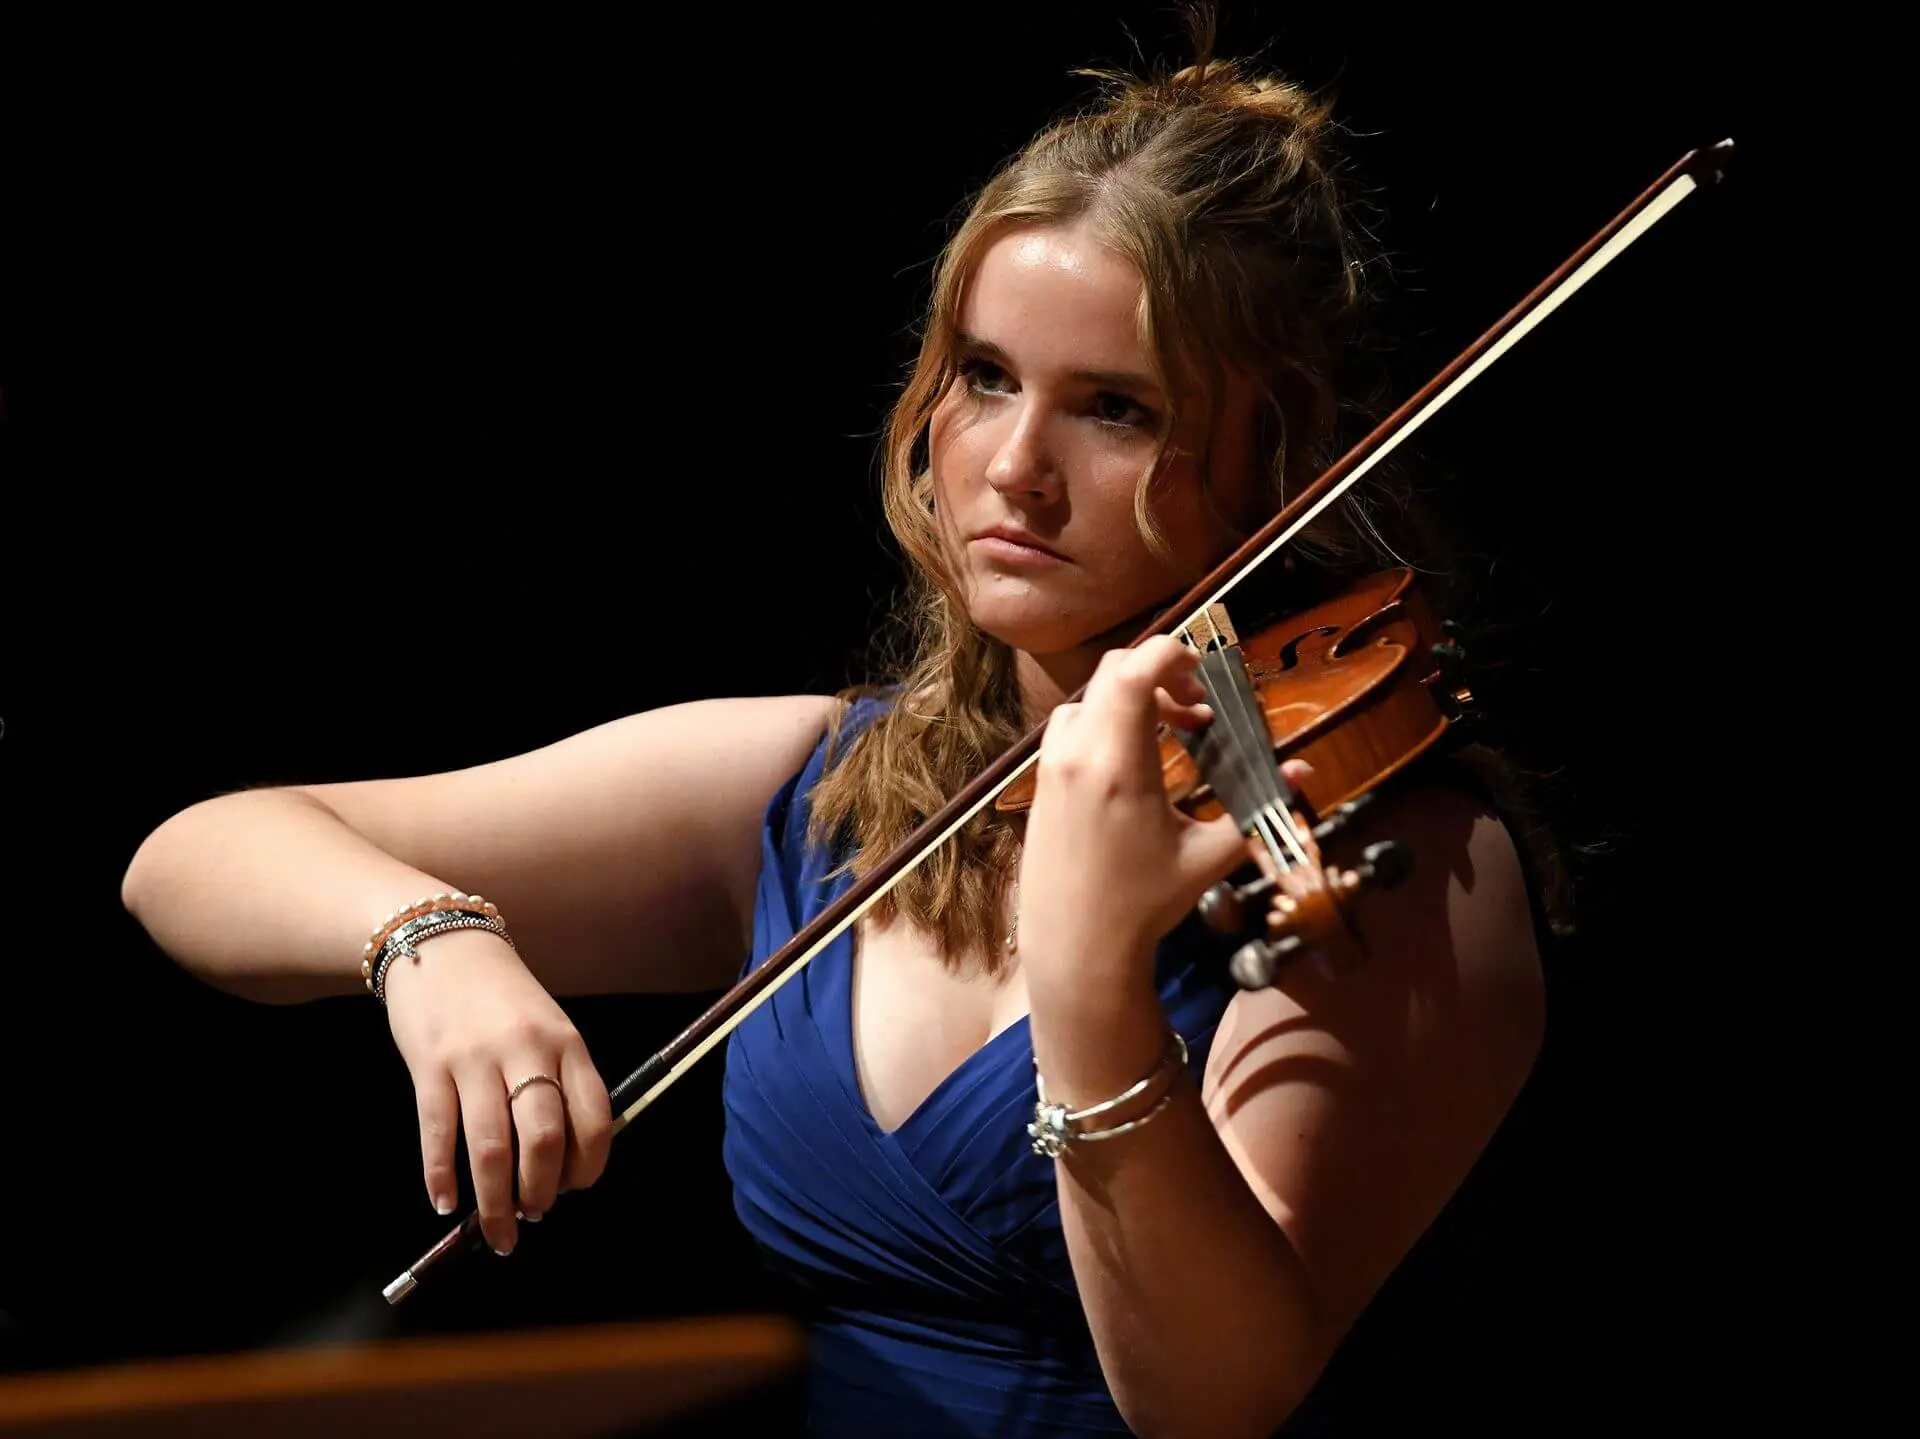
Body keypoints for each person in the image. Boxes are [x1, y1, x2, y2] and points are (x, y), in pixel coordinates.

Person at [121, 28, 1549, 1438]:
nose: (1013, 468)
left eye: (1116, 409)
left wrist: (1091, 971)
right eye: (985, 377)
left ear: (1279, 457)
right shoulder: (828, 783)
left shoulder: (1403, 862)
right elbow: (191, 860)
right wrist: (429, 939)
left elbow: (1209, 1400)